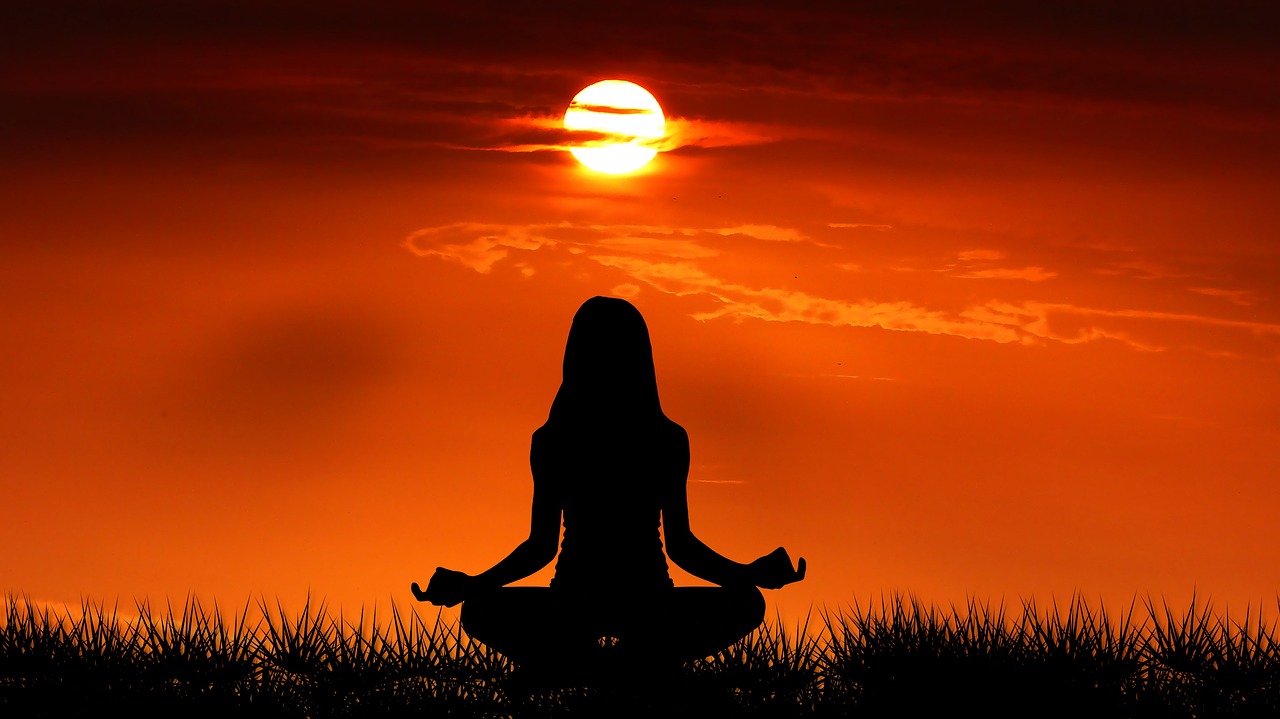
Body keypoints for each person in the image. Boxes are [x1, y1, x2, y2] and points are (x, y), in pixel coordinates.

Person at [412, 296, 805, 674]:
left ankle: (567, 662)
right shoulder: (665, 438)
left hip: (577, 605)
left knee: (479, 609)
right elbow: (682, 547)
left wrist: (474, 584)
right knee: (747, 603)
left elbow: (540, 548)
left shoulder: (554, 440)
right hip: (647, 604)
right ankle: (644, 664)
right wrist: (747, 574)